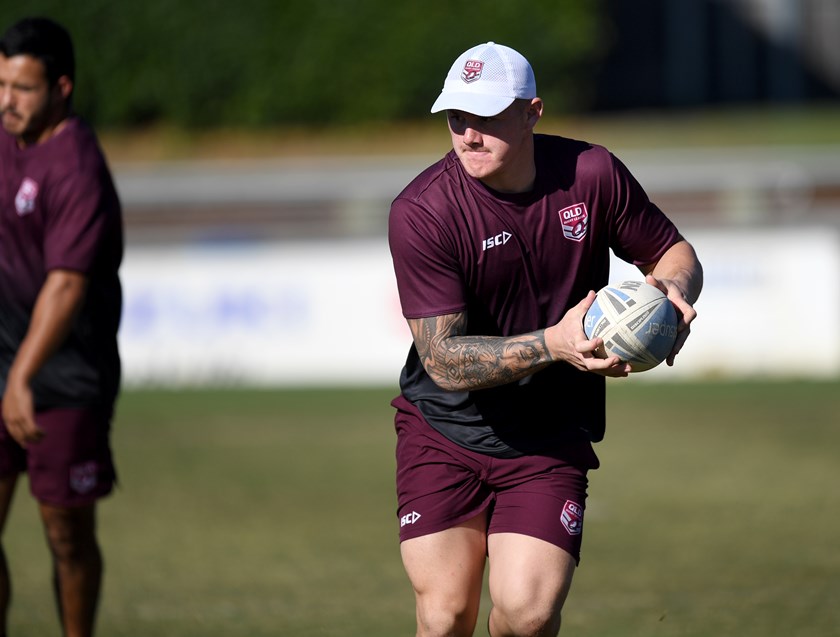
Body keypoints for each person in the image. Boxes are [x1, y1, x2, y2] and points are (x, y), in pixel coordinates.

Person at [388, 42, 703, 637]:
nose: (467, 135)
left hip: (549, 431)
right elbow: (445, 360)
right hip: (443, 430)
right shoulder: (422, 212)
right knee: (446, 615)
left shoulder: (592, 173)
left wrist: (671, 293)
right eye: (457, 118)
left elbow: (672, 251)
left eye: (485, 118)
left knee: (527, 616)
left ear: (532, 112)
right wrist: (554, 345)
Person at [0, 16, 123, 637]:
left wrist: (21, 376)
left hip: (65, 372)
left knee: (65, 534)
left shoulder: (76, 167)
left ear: (61, 87)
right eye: (1, 85)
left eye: (22, 88)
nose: (6, 101)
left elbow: (67, 282)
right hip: (3, 361)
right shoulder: (2, 140)